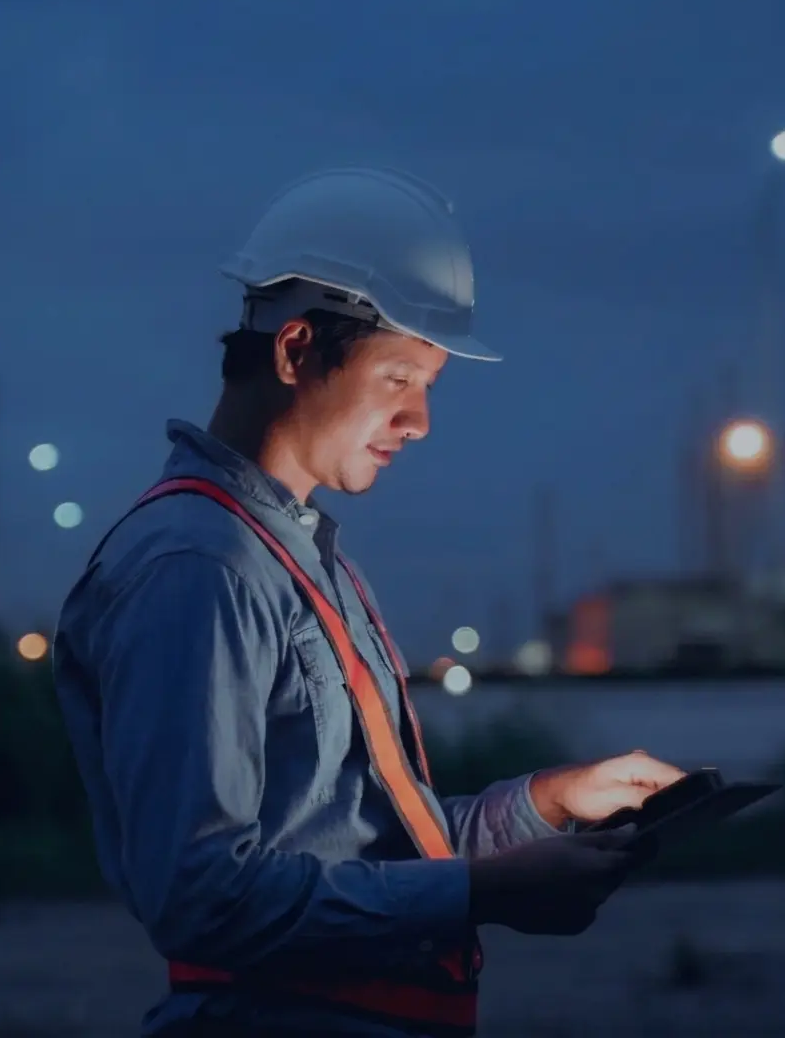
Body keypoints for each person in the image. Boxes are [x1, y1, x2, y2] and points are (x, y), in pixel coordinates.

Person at [52, 167, 685, 1037]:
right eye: (399, 380)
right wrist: (486, 892)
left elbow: (362, 854)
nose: (421, 421)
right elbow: (200, 896)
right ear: (296, 350)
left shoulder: (295, 556)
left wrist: (545, 804)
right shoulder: (201, 567)